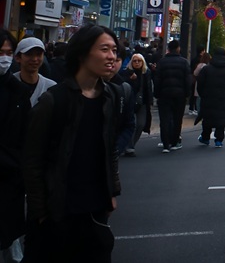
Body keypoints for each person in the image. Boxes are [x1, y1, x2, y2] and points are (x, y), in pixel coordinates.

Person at [23, 25, 123, 263]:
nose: (112, 56)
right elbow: (31, 160)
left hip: (96, 210)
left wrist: (112, 191)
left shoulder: (112, 96)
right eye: (104, 49)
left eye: (114, 50)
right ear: (82, 53)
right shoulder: (53, 100)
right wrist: (40, 212)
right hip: (59, 212)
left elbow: (110, 149)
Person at [0, 37, 55, 260]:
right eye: (29, 54)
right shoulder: (9, 85)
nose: (34, 59)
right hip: (11, 163)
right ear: (19, 58)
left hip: (34, 160)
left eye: (38, 54)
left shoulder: (51, 88)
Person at [153, 39, 191, 153]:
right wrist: (187, 93)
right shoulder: (184, 62)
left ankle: (165, 144)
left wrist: (157, 94)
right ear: (178, 48)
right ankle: (174, 142)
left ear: (168, 49)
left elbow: (157, 80)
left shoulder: (162, 62)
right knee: (177, 119)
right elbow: (187, 80)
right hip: (179, 95)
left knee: (164, 119)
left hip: (164, 94)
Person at [196, 47, 225, 149]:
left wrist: (203, 94)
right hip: (223, 98)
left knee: (207, 118)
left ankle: (205, 137)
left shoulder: (206, 69)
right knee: (221, 118)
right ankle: (219, 139)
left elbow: (200, 84)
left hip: (208, 97)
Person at [117, 52, 152, 156]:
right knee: (133, 124)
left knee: (141, 124)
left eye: (139, 61)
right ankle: (129, 147)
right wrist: (131, 80)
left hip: (142, 102)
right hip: (130, 102)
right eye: (135, 61)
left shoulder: (146, 73)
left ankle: (131, 145)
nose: (137, 63)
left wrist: (149, 100)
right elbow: (123, 85)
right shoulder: (126, 73)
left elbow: (148, 88)